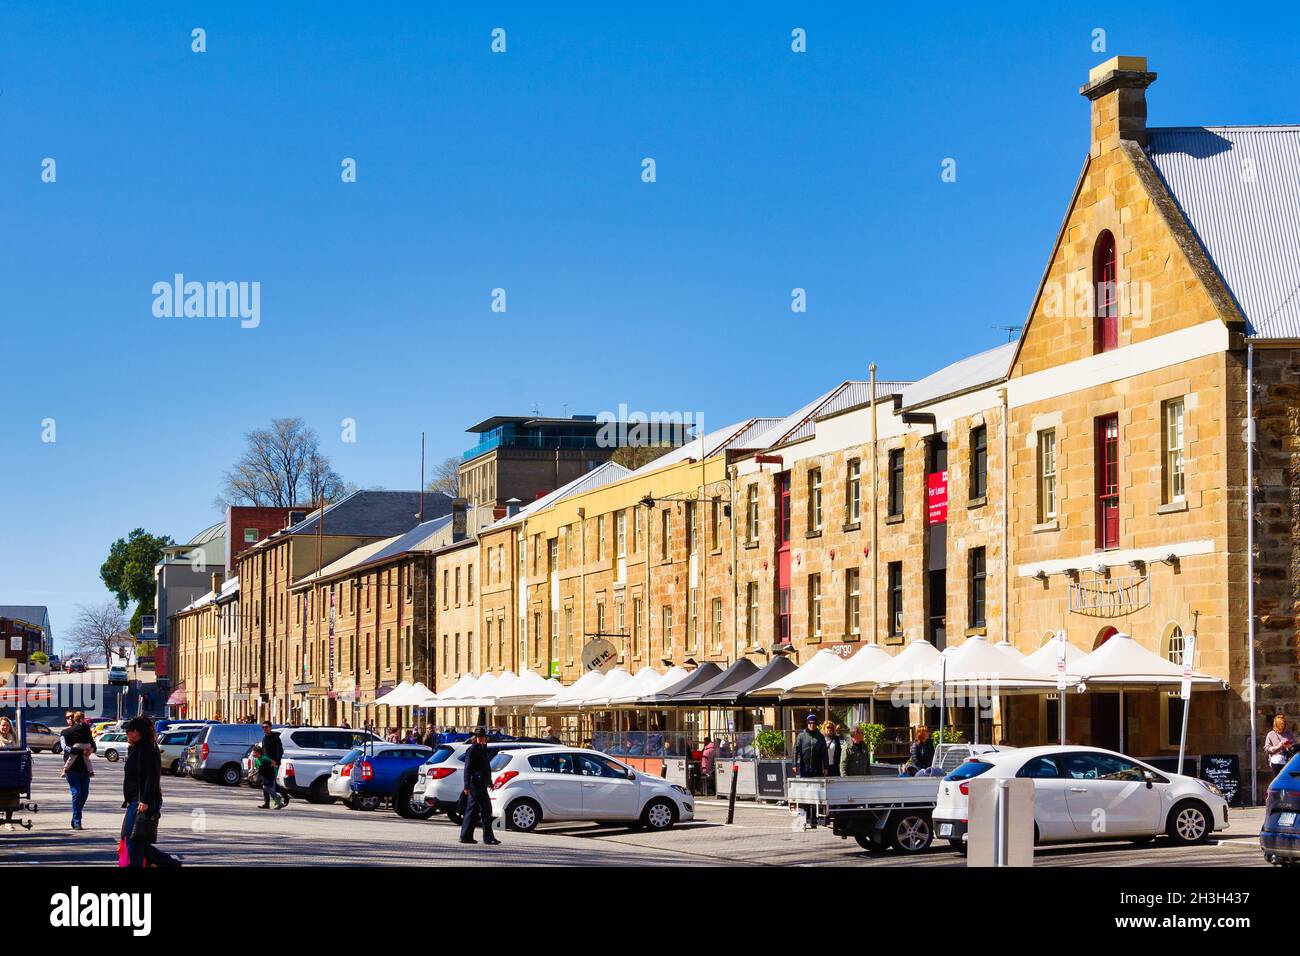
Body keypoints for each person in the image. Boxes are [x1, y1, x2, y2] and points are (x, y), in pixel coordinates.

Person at [120, 716, 181, 867]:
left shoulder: (147, 750)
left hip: (141, 801)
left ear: (137, 733)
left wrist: (145, 800)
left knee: (134, 840)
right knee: (135, 840)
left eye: (129, 731)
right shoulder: (136, 749)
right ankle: (170, 864)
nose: (127, 734)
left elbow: (151, 777)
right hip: (134, 800)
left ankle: (166, 863)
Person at [459, 727, 501, 845]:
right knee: (486, 810)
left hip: (481, 783)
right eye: (479, 738)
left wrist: (489, 781)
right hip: (475, 785)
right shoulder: (472, 750)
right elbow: (467, 768)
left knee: (472, 810)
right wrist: (466, 786)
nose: (482, 739)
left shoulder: (483, 749)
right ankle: (488, 838)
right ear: (475, 738)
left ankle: (466, 836)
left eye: (483, 738)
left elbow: (485, 768)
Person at [61, 711, 94, 830]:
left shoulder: (86, 731)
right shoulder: (65, 733)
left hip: (84, 768)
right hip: (72, 768)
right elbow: (65, 748)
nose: (70, 718)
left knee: (84, 794)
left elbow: (93, 744)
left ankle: (75, 816)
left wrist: (91, 749)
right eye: (68, 717)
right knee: (77, 793)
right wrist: (82, 751)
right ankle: (77, 821)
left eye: (71, 716)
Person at [794, 714, 828, 829]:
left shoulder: (820, 737)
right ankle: (803, 819)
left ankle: (813, 820)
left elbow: (824, 753)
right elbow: (796, 750)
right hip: (805, 769)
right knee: (804, 795)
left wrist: (825, 767)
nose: (812, 725)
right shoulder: (801, 736)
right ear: (807, 724)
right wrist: (795, 764)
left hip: (817, 768)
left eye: (813, 723)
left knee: (815, 795)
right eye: (810, 723)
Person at [260, 721, 291, 807]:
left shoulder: (275, 738)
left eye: (266, 727)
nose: (264, 729)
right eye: (263, 727)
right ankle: (266, 803)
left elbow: (279, 751)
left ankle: (285, 796)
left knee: (270, 783)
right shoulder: (264, 738)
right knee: (265, 782)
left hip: (273, 763)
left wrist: (277, 762)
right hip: (265, 763)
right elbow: (263, 751)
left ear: (270, 727)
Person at [0, 716, 21, 831]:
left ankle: (8, 821)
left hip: (11, 771)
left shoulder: (14, 737)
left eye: (7, 725)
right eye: (3, 725)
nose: (5, 727)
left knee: (11, 796)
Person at [250, 744, 282, 809]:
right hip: (265, 776)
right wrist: (252, 775)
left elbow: (273, 763)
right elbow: (259, 769)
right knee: (269, 790)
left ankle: (277, 798)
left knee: (266, 787)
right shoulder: (257, 760)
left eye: (254, 752)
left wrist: (269, 768)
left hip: (271, 775)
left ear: (259, 752)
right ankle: (277, 803)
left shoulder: (264, 758)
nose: (253, 754)